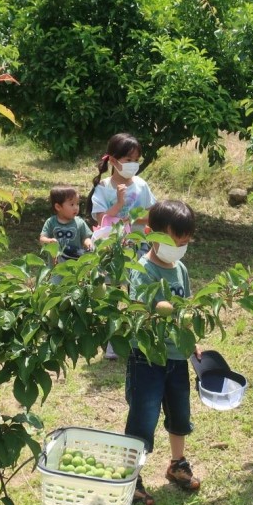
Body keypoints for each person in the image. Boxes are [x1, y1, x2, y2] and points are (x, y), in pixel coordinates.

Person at [123, 200, 201, 505]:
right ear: (149, 234)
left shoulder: (180, 269)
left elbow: (188, 308)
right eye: (172, 241)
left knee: (180, 414)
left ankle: (177, 464)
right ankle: (132, 475)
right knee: (143, 416)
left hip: (177, 358)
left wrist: (191, 340)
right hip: (147, 356)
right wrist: (168, 308)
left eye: (184, 243)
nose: (178, 248)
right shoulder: (142, 269)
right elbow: (143, 305)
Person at [89, 133, 156, 359]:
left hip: (138, 248)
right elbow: (101, 220)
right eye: (128, 160)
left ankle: (137, 337)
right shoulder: (104, 187)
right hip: (113, 250)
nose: (133, 165)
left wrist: (134, 220)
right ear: (114, 160)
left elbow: (152, 214)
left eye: (136, 160)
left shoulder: (142, 185)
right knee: (114, 291)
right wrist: (118, 204)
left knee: (138, 291)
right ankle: (112, 341)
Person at [40, 185, 94, 260]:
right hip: (56, 267)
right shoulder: (51, 222)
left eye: (77, 204)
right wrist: (49, 241)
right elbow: (42, 239)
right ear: (58, 207)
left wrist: (88, 244)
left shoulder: (79, 222)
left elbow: (85, 237)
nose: (76, 207)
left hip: (76, 264)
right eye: (72, 204)